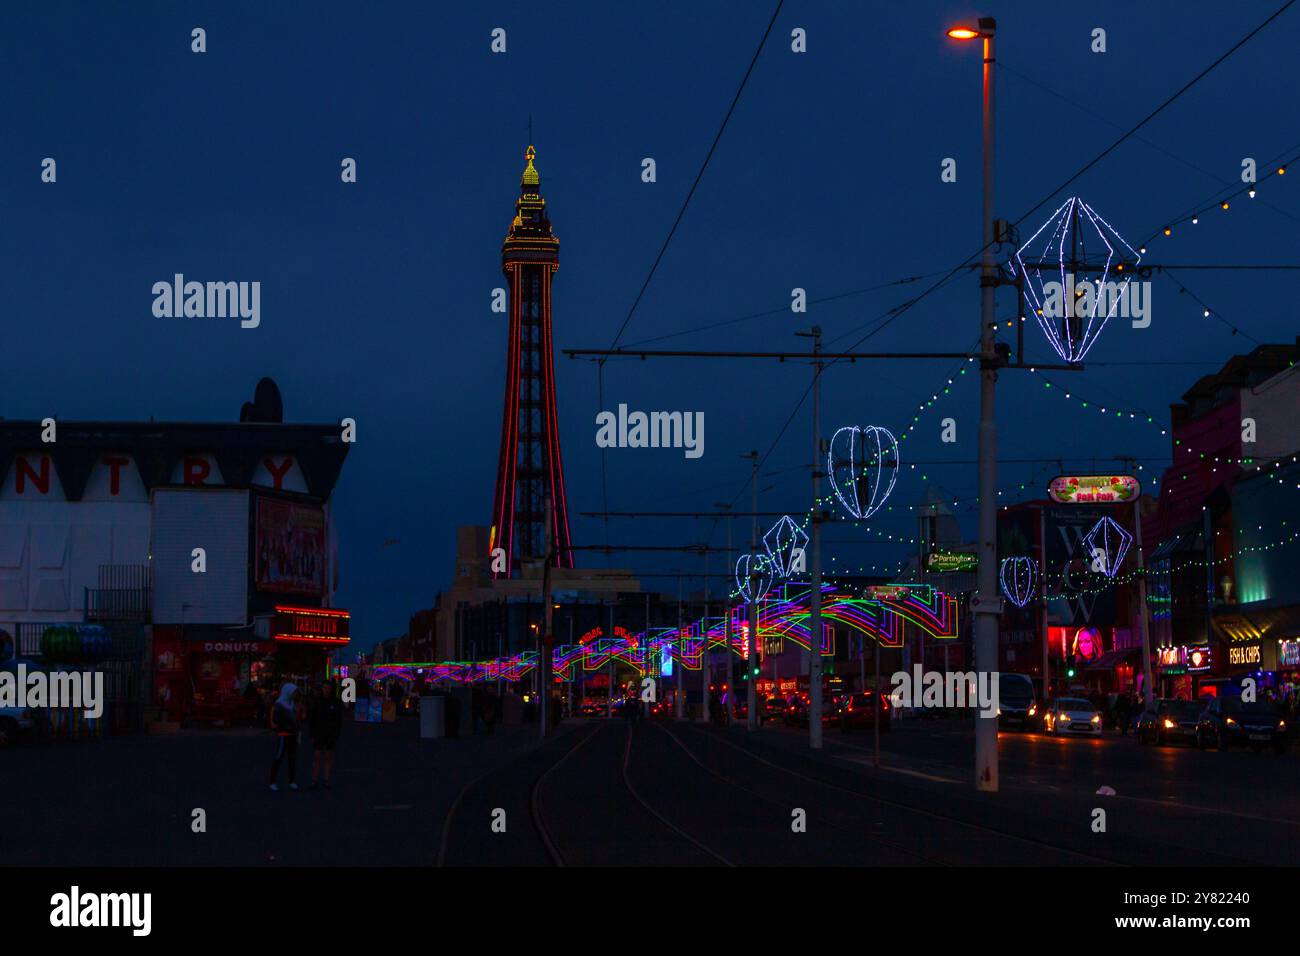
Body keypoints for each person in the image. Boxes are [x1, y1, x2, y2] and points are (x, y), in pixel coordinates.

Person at [309, 682, 343, 789]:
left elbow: (338, 720)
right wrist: (312, 733)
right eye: (324, 688)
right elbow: (312, 719)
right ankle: (314, 780)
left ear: (331, 689)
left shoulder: (335, 702)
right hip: (319, 733)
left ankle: (326, 779)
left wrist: (336, 733)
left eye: (328, 688)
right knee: (317, 757)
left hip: (330, 733)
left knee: (328, 757)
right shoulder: (317, 701)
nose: (326, 690)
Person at [268, 682, 301, 791]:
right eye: (294, 693)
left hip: (291, 734)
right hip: (283, 734)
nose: (295, 695)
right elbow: (277, 720)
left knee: (292, 758)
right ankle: (272, 781)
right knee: (279, 757)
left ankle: (292, 781)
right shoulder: (280, 705)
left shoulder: (290, 704)